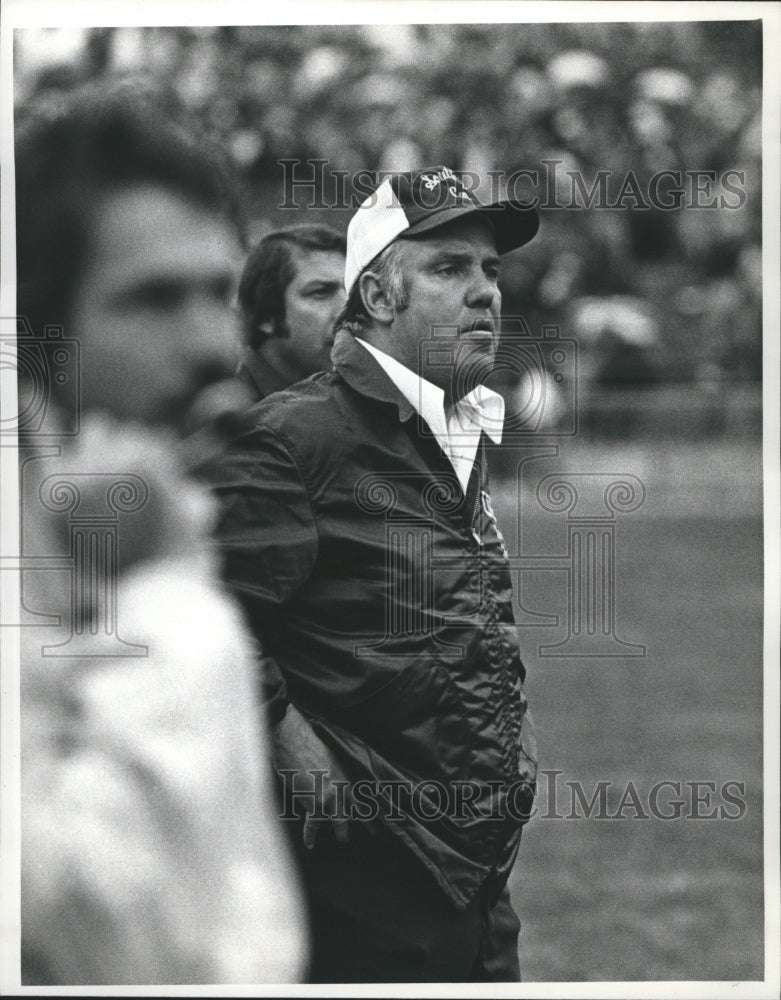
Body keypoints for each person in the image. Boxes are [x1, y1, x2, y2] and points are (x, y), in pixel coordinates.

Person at [207, 166, 540, 983]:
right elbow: (205, 616)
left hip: (473, 870)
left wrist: (511, 730)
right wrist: (284, 732)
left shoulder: (455, 426)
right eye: (449, 268)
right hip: (365, 873)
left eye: (490, 270)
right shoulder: (293, 436)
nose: (485, 292)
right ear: (380, 300)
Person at [14, 84, 306, 984]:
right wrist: (166, 597)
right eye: (153, 299)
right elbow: (105, 934)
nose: (214, 344)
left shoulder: (111, 494)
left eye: (218, 291)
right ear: (37, 329)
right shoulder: (131, 548)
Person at [236, 225, 346, 399]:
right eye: (320, 292)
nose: (347, 310)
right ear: (266, 315)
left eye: (353, 292)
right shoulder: (233, 414)